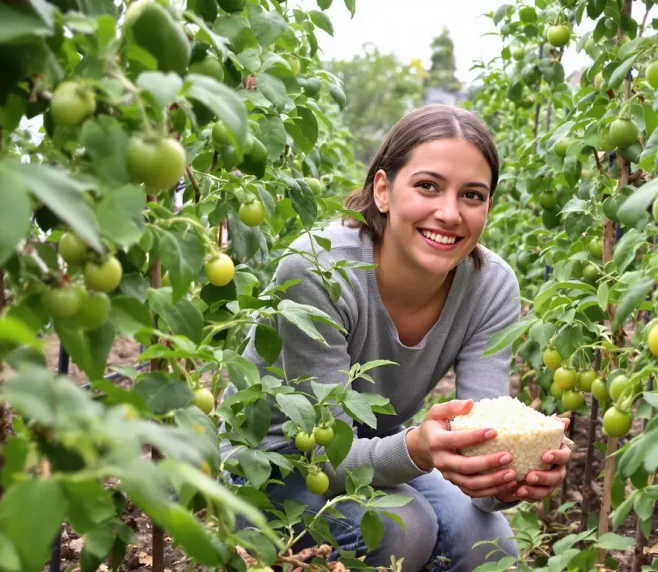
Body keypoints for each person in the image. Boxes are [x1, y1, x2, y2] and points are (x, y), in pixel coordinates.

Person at [222, 104, 574, 571]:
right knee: (404, 529)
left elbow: (484, 439)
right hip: (275, 463)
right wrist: (416, 449)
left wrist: (509, 475)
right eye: (428, 186)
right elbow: (324, 447)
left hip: (373, 449)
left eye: (472, 195)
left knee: (487, 540)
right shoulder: (319, 270)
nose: (449, 213)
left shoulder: (491, 285)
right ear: (383, 190)